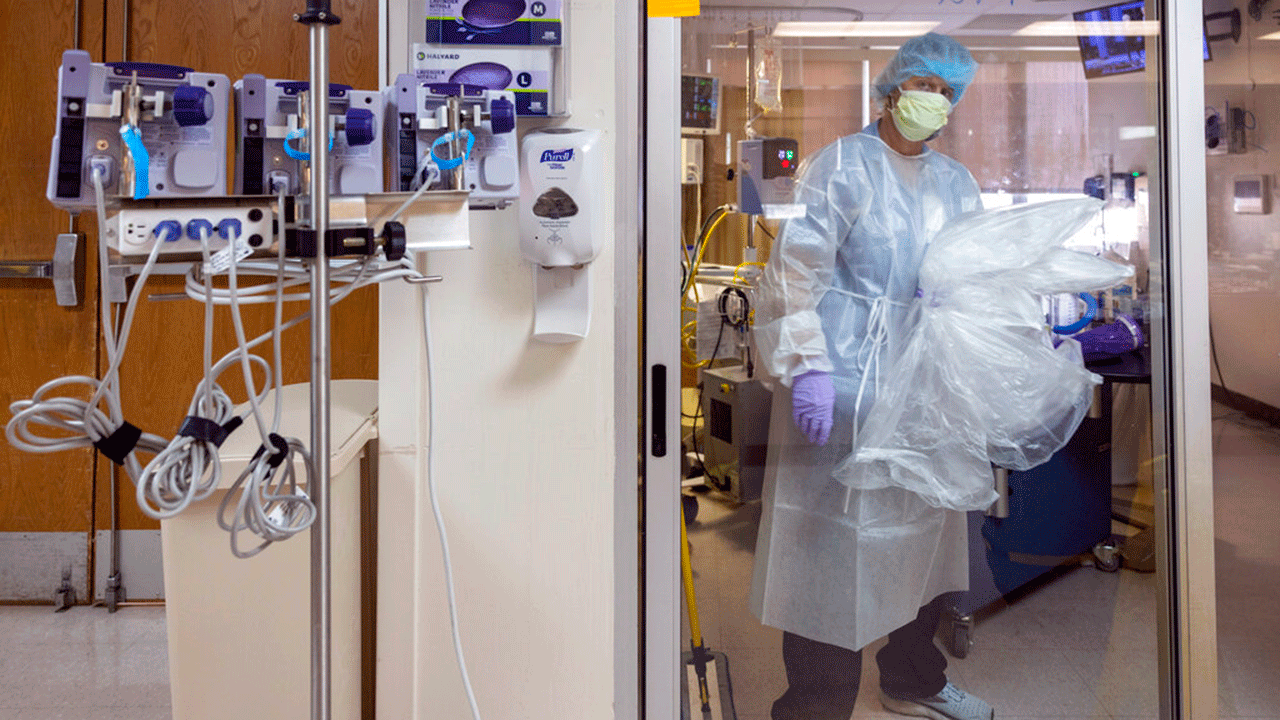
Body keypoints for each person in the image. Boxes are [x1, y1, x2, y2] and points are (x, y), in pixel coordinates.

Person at [749, 33, 993, 720]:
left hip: (926, 388)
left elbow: (978, 280)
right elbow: (793, 277)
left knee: (926, 538)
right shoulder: (843, 168)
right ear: (890, 91)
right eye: (923, 86)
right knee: (833, 551)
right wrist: (809, 368)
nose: (933, 102)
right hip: (848, 386)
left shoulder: (955, 182)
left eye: (946, 93)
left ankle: (911, 679)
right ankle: (815, 707)